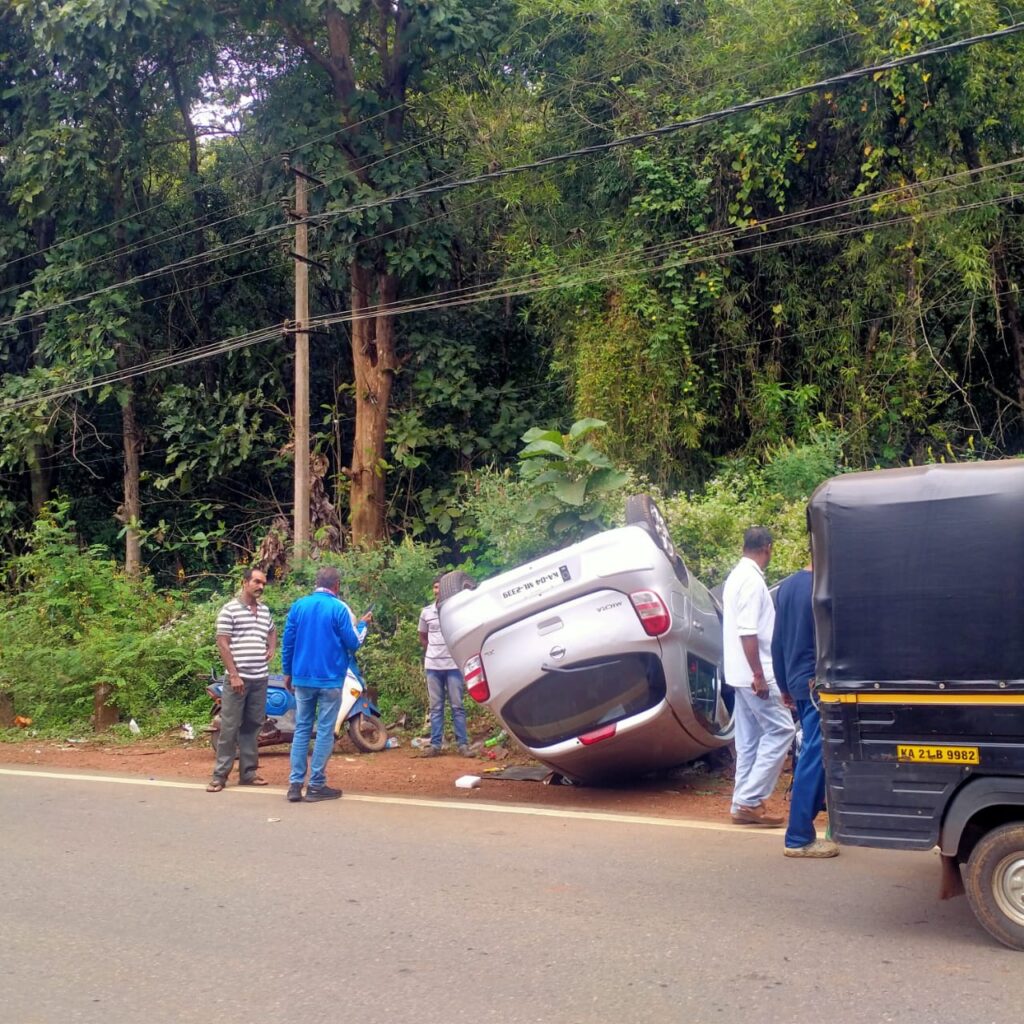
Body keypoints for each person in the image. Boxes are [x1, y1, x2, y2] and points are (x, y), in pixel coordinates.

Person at [722, 527, 796, 826]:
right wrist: (759, 674)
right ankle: (749, 801)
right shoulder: (751, 581)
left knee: (749, 741)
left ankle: (742, 803)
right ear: (767, 547)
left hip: (738, 674)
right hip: (755, 673)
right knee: (782, 731)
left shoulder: (735, 577)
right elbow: (748, 631)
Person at [282, 566, 371, 803]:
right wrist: (363, 625)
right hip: (331, 678)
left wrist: (287, 672)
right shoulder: (339, 608)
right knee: (324, 730)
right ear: (337, 585)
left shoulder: (298, 606)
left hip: (302, 677)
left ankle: (294, 784)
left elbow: (288, 642)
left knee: (302, 728)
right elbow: (353, 643)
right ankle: (316, 785)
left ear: (316, 583)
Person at [771, 562, 839, 858]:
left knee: (813, 752)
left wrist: (785, 685)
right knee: (815, 753)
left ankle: (808, 828)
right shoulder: (822, 588)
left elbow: (777, 642)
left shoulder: (787, 586)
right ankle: (798, 836)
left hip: (798, 681)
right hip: (816, 681)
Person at [208, 567, 276, 792]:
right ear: (245, 582)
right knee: (229, 727)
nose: (260, 587)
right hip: (238, 680)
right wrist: (234, 675)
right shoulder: (229, 610)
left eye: (263, 583)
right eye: (256, 582)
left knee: (253, 727)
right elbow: (222, 643)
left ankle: (248, 773)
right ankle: (220, 776)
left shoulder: (265, 611)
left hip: (260, 678)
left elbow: (272, 630)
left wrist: (272, 648)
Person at [418, 576, 472, 757]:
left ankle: (463, 745)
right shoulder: (426, 612)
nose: (437, 590)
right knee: (436, 708)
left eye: (439, 587)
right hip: (433, 666)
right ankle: (435, 746)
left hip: (453, 665)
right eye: (434, 587)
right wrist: (433, 652)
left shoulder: (455, 611)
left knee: (457, 706)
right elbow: (423, 637)